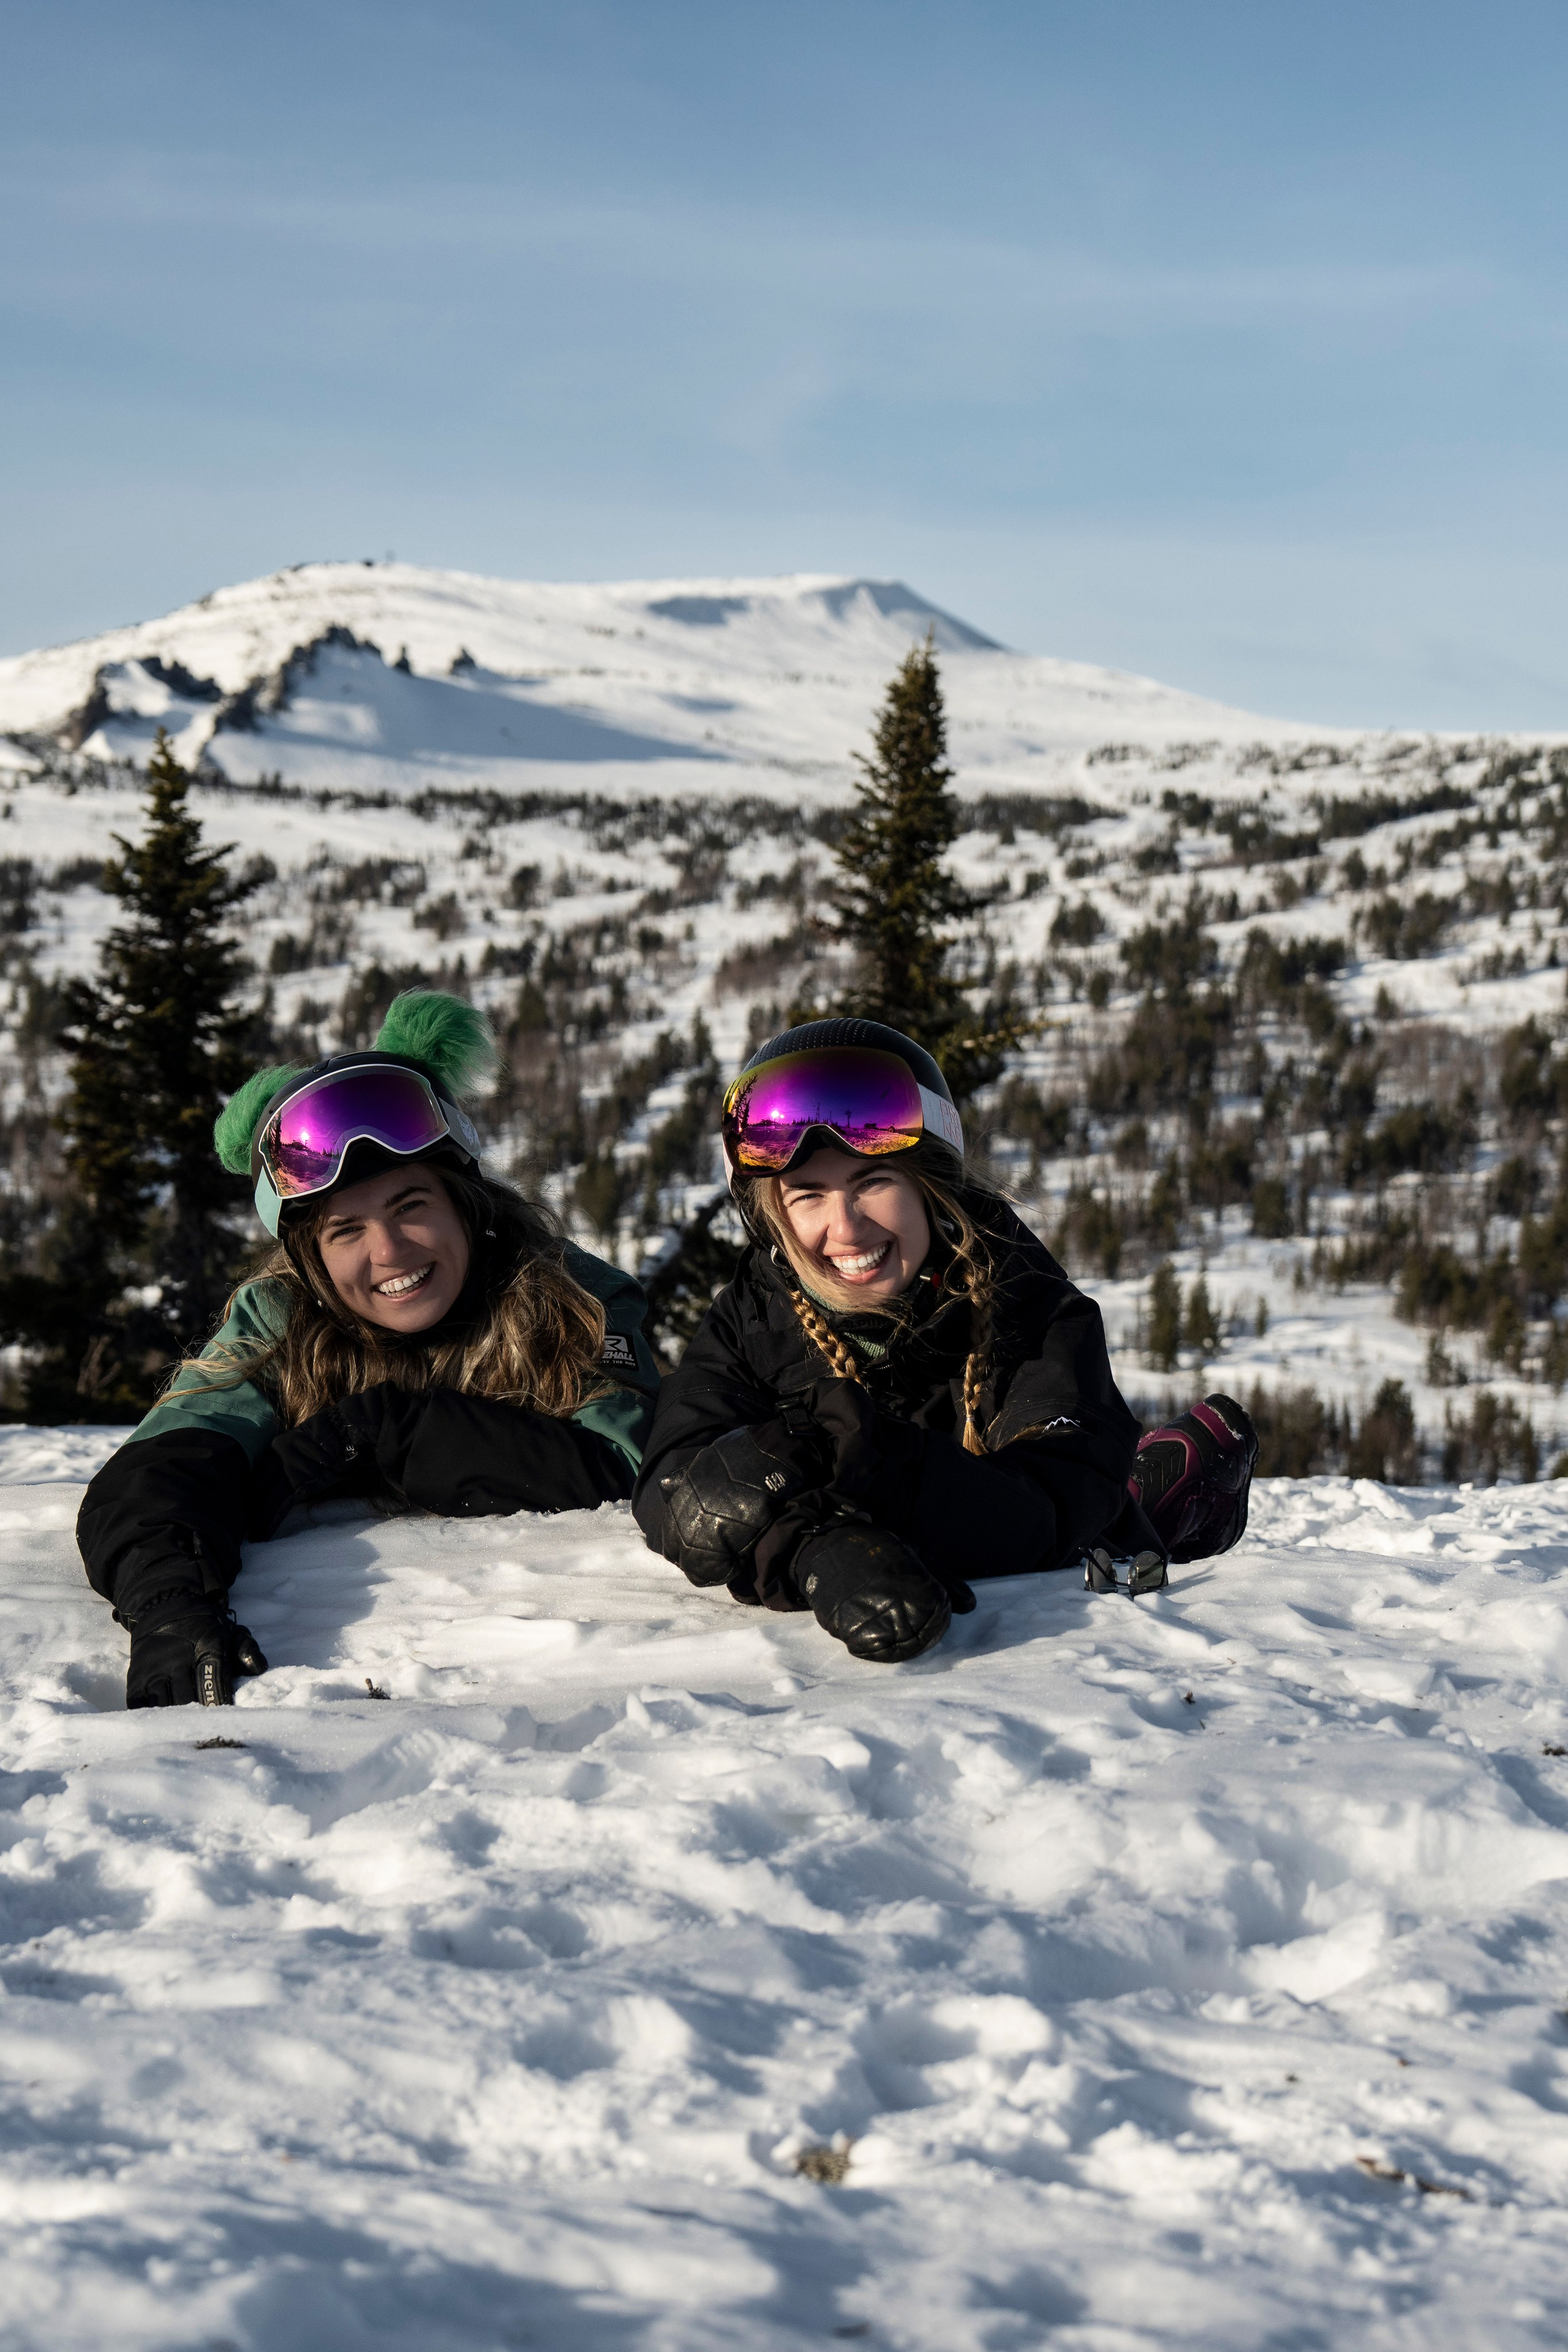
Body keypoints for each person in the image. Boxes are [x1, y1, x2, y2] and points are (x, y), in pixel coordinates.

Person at [80, 992, 660, 1710]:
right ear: (312, 1259)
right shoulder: (281, 1318)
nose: (388, 1252)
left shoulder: (570, 1297)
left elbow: (632, 1461)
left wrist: (389, 1432)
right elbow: (165, 1465)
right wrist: (169, 1604)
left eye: (411, 1206)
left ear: (464, 1205)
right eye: (345, 1230)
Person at [633, 1019, 1256, 1664]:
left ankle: (1168, 1492)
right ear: (772, 1213)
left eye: (873, 1182)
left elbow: (1046, 1510)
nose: (844, 1228)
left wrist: (827, 1451)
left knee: (1117, 1509)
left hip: (1072, 1611)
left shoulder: (1032, 1308)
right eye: (808, 1195)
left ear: (930, 1188)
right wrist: (819, 1555)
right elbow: (682, 1488)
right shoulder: (754, 1317)